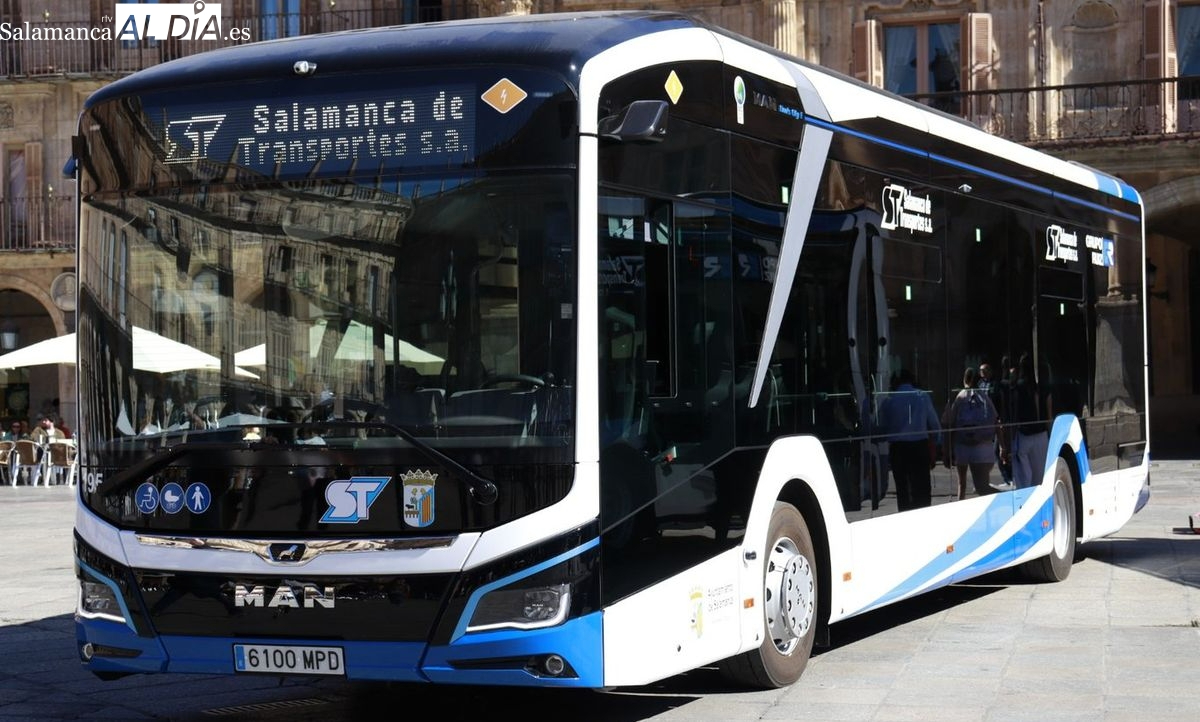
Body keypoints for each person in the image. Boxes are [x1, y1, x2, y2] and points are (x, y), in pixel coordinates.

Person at [877, 369, 941, 511]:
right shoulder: (923, 397)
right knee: (922, 488)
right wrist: (936, 443)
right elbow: (934, 424)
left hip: (898, 448)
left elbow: (882, 427)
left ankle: (905, 515)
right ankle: (923, 514)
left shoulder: (889, 401)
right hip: (919, 446)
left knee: (902, 489)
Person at [942, 367, 1001, 499]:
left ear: (965, 379)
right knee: (982, 486)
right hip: (981, 446)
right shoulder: (984, 397)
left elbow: (949, 424)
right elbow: (996, 421)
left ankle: (960, 508)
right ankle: (998, 501)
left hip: (962, 446)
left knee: (961, 484)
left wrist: (947, 450)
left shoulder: (959, 397)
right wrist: (1002, 445)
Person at [1004, 353, 1051, 489]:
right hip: (1042, 436)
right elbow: (1049, 416)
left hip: (1024, 436)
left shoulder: (1017, 388)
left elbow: (1014, 415)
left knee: (1024, 480)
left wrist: (1009, 440)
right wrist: (1049, 435)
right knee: (1040, 478)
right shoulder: (1043, 388)